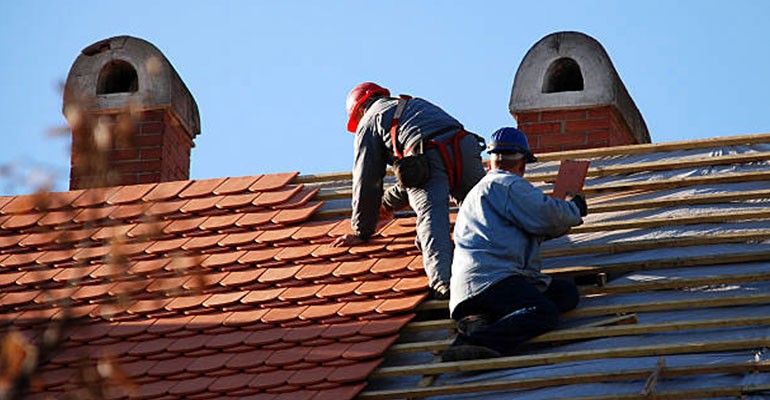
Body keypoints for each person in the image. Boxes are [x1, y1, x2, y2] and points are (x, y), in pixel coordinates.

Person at [441, 127, 588, 362]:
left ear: (490, 161)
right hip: (493, 280)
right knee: (544, 313)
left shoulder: (480, 192)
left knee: (565, 292)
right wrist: (573, 209)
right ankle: (471, 343)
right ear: (522, 165)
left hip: (473, 287)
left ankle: (482, 321)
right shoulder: (507, 184)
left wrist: (558, 223)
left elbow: (532, 228)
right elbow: (545, 215)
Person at [332, 82, 486, 299]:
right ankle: (499, 264)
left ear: (359, 109)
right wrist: (386, 203)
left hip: (427, 157)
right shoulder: (414, 104)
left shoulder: (369, 120)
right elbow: (417, 175)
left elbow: (367, 179)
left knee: (431, 220)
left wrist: (362, 230)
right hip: (465, 147)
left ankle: (445, 285)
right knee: (484, 209)